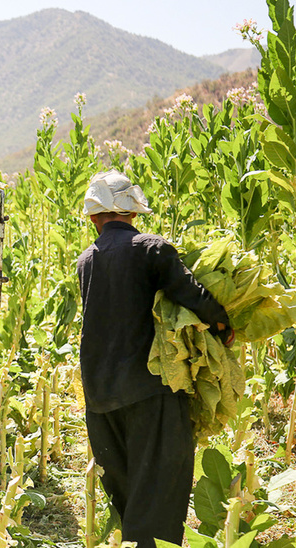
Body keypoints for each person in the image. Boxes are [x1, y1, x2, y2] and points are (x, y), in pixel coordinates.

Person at [76, 169, 235, 548]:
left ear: (95, 217)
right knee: (160, 488)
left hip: (99, 397)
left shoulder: (86, 260)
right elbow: (189, 292)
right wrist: (221, 322)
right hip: (150, 389)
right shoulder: (151, 248)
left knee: (127, 489)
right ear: (132, 211)